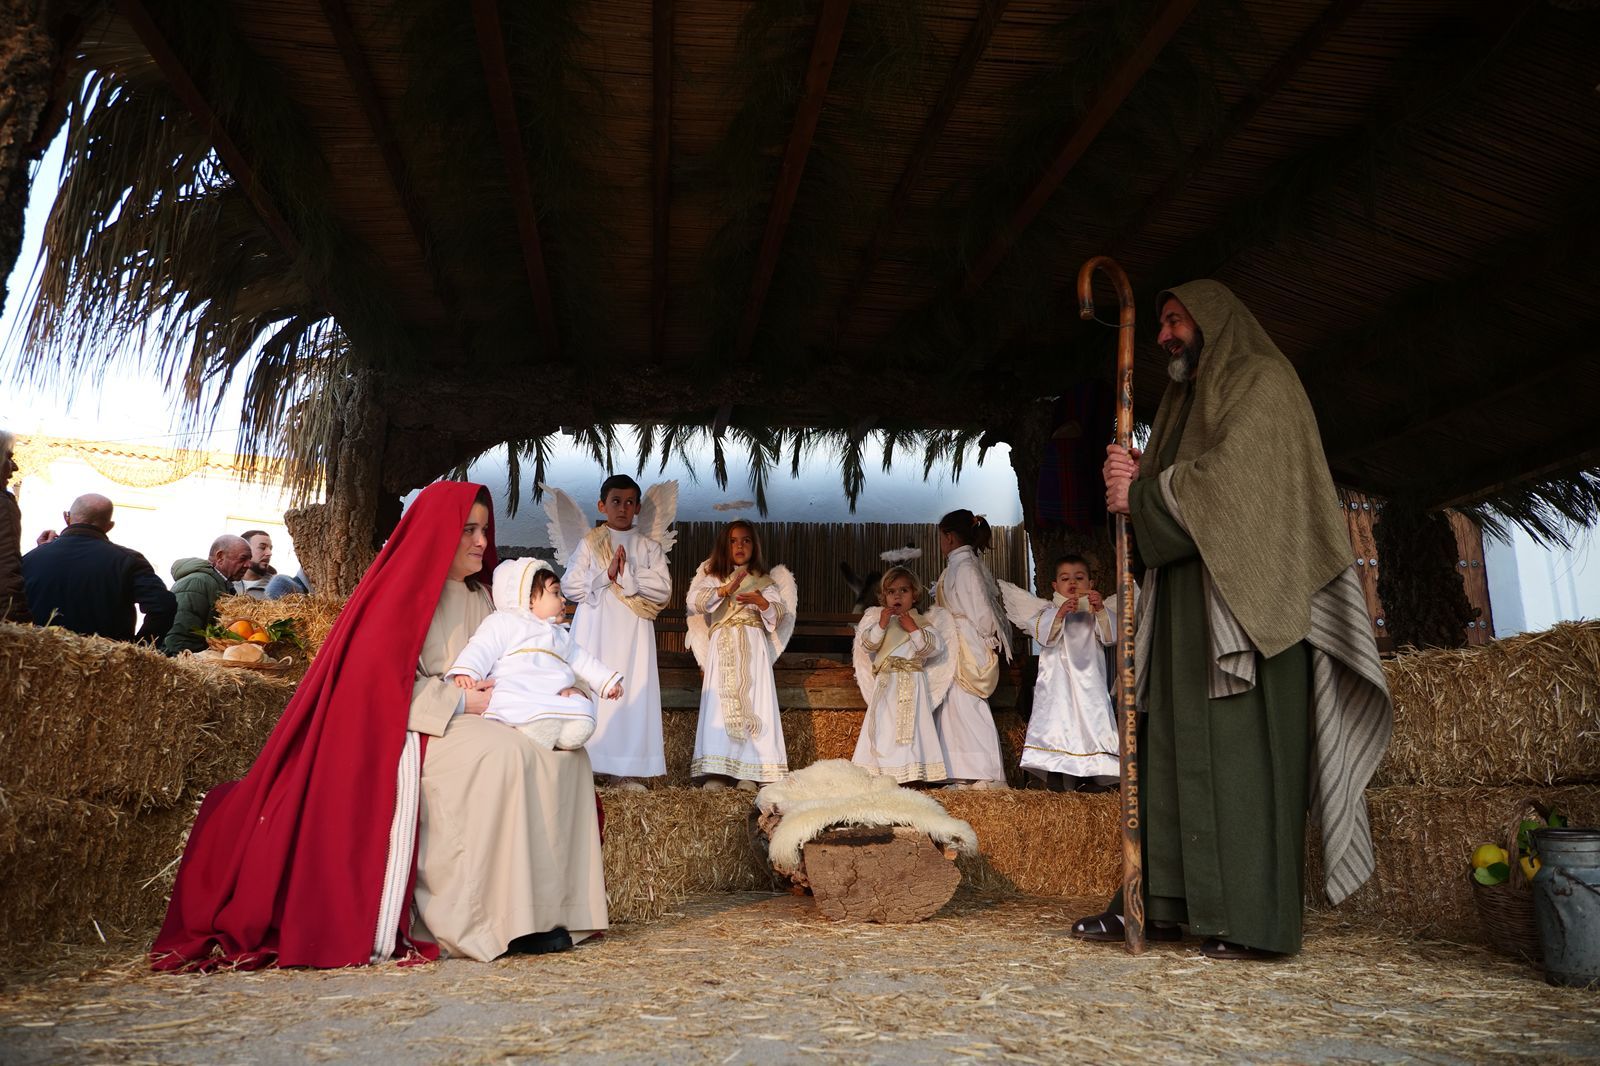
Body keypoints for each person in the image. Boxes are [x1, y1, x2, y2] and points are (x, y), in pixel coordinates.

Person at [152, 481, 606, 969]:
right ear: (438, 533)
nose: (481, 541)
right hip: (425, 723)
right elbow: (375, 683)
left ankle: (554, 911)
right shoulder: (402, 593)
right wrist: (456, 701)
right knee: (503, 757)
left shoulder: (491, 597)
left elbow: (526, 655)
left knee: (569, 756)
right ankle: (490, 921)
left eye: (484, 530)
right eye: (468, 530)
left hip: (503, 710)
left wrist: (555, 688)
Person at [1072, 279, 1393, 960]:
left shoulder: (1264, 382)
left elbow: (1236, 484)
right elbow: (1158, 499)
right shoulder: (1187, 402)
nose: (1163, 337)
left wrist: (1147, 492)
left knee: (1241, 760)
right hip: (1186, 599)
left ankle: (1252, 922)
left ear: (1213, 320)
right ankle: (1155, 903)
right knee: (1169, 750)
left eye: (1174, 321)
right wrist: (1128, 480)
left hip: (1250, 612)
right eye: (1159, 324)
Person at [560, 474, 672, 791]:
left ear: (637, 508)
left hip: (633, 630)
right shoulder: (589, 543)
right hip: (594, 627)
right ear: (602, 505)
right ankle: (586, 764)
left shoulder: (648, 548)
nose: (622, 508)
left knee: (629, 689)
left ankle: (623, 770)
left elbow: (663, 590)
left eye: (629, 502)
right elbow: (570, 586)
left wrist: (630, 574)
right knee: (592, 688)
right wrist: (604, 574)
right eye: (615, 501)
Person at [447, 556, 624, 750]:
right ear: (529, 598)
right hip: (518, 690)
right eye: (555, 593)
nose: (563, 599)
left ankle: (570, 731)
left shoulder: (560, 635)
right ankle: (534, 726)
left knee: (582, 705)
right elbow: (482, 647)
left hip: (553, 694)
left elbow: (583, 660)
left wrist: (606, 682)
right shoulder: (504, 622)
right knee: (511, 699)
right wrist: (468, 671)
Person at [684, 520, 797, 790]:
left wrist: (763, 603)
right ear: (725, 545)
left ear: (754, 546)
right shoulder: (713, 577)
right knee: (721, 705)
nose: (740, 546)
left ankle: (751, 770)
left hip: (752, 647)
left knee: (753, 701)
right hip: (722, 646)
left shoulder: (763, 581)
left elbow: (779, 613)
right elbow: (693, 601)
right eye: (734, 541)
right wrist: (722, 591)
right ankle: (718, 770)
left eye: (746, 540)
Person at [1009, 555, 1119, 793]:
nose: (1072, 583)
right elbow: (1044, 636)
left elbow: (1111, 637)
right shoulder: (1048, 611)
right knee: (1057, 725)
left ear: (1090, 583)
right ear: (1055, 586)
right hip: (1058, 684)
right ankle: (1056, 777)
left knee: (1089, 725)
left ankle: (1088, 777)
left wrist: (1100, 609)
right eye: (1065, 578)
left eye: (1079, 578)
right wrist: (1059, 614)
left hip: (1089, 683)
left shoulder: (1095, 612)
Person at [20, 493, 176, 643]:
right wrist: (141, 649)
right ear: (109, 526)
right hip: (104, 663)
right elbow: (163, 606)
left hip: (36, 661)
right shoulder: (128, 561)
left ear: (66, 517)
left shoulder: (31, 558)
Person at [850, 566, 950, 785]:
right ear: (884, 597)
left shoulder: (922, 623)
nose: (897, 595)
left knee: (910, 729)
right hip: (887, 684)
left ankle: (910, 774)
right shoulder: (880, 624)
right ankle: (881, 771)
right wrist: (882, 624)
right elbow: (867, 644)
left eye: (903, 590)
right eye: (891, 591)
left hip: (911, 684)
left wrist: (913, 628)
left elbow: (935, 648)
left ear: (914, 595)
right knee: (885, 727)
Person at [932, 509, 1010, 790]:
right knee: (954, 706)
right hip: (955, 640)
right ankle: (960, 770)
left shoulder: (965, 568)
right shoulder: (957, 565)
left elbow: (982, 611)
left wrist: (987, 639)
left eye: (941, 538)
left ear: (949, 537)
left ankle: (986, 772)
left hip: (967, 641)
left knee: (969, 703)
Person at [161, 535, 253, 655]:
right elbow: (179, 638)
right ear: (220, 557)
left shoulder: (221, 584)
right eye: (243, 559)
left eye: (249, 559)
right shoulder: (197, 582)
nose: (248, 565)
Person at [0, 431, 31, 623]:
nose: (15, 467)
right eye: (9, 457)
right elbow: (4, 570)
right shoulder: (2, 504)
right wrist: (18, 624)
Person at [234, 530, 277, 598]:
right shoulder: (226, 584)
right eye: (262, 547)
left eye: (270, 549)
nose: (269, 553)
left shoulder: (276, 587)